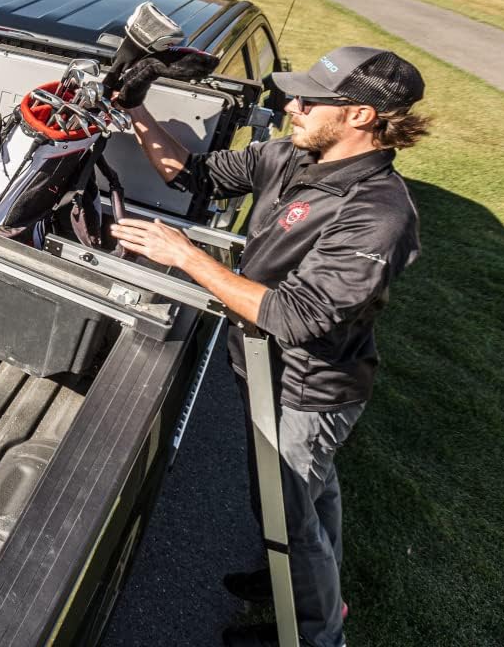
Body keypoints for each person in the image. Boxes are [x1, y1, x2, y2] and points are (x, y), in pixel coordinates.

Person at [108, 46, 428, 647]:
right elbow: (192, 171)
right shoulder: (290, 155)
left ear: (360, 116)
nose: (292, 105)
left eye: (310, 99)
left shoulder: (380, 215)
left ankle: (313, 632)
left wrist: (186, 256)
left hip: (308, 388)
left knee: (286, 514)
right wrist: (136, 110)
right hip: (264, 365)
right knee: (313, 497)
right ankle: (309, 589)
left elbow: (297, 316)